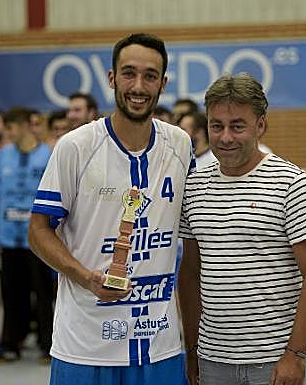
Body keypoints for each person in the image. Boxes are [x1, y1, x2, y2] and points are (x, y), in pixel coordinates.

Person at [28, 33, 195, 385]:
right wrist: (85, 277)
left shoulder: (180, 145)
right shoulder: (76, 146)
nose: (139, 86)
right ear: (111, 78)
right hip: (85, 346)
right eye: (129, 73)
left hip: (159, 345)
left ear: (163, 84)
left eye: (150, 76)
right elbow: (38, 230)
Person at [178, 73, 306, 385]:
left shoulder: (293, 184)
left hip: (276, 362)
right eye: (216, 126)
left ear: (261, 125)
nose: (225, 137)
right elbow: (190, 273)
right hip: (213, 361)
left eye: (237, 126)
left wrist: (294, 354)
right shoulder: (193, 187)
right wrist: (192, 349)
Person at [0, 107, 54, 362]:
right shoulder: (4, 155)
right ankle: (10, 344)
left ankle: (47, 345)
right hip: (8, 237)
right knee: (11, 293)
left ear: (25, 125)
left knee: (43, 293)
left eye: (11, 127)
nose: (7, 132)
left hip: (37, 239)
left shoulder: (47, 155)